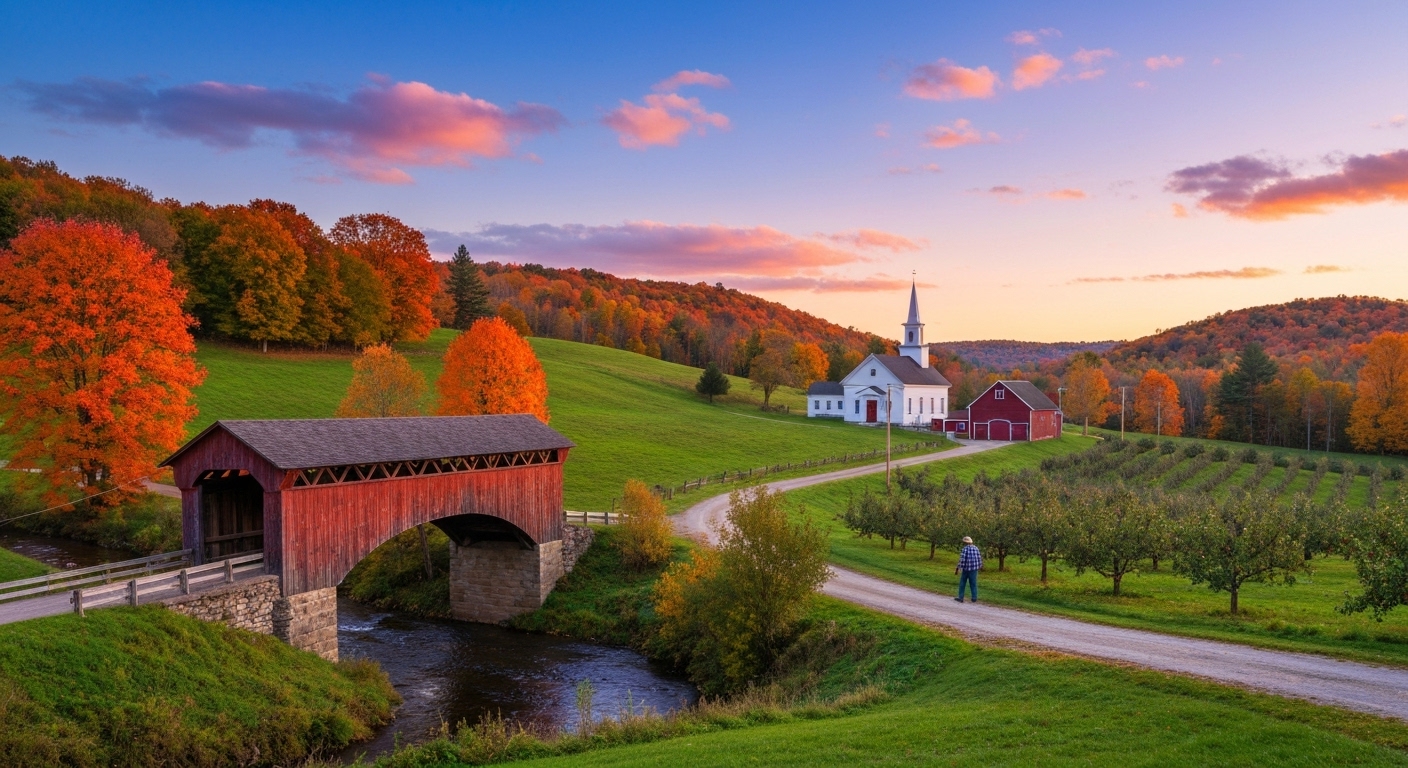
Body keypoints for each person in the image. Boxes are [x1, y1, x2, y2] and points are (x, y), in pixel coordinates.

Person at [955, 536, 982, 603]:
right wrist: (979, 567)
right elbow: (979, 559)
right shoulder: (976, 548)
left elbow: (962, 560)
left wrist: (958, 568)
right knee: (973, 583)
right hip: (974, 569)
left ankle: (961, 597)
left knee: (962, 583)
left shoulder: (965, 549)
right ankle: (974, 597)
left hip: (966, 569)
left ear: (965, 542)